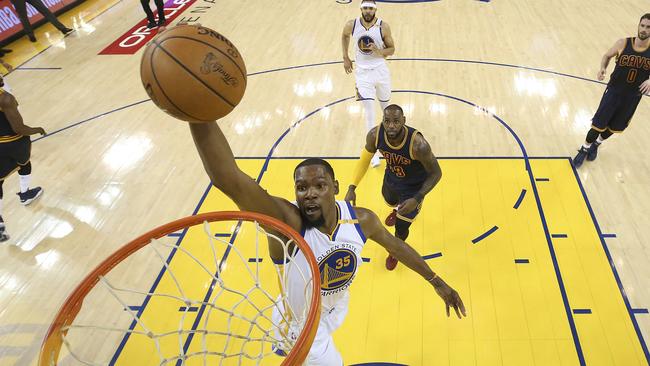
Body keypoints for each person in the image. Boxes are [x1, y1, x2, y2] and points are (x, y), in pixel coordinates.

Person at [188, 121, 464, 364]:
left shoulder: (361, 220)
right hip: (301, 322)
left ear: (336, 188)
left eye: (319, 185)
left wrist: (437, 281)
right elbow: (229, 180)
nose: (309, 194)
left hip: (335, 305)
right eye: (301, 187)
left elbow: (396, 246)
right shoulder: (287, 225)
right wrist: (198, 115)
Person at [345, 105, 442, 270]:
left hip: (413, 188)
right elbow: (364, 159)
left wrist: (417, 198)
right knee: (389, 201)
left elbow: (436, 173)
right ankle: (396, 210)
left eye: (396, 121)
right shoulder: (375, 135)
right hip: (392, 179)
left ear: (404, 121)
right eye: (387, 121)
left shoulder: (418, 145)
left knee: (402, 228)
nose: (391, 125)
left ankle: (395, 251)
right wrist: (352, 187)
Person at [573, 13, 650, 167]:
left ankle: (597, 145)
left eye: (648, 27)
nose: (644, 29)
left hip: (633, 97)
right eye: (642, 25)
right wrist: (602, 68)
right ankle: (584, 148)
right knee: (598, 125)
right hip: (614, 92)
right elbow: (607, 56)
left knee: (615, 127)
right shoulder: (623, 43)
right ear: (638, 25)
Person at [342, 0, 395, 168]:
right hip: (362, 74)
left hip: (380, 71)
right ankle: (374, 153)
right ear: (361, 9)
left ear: (375, 10)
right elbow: (344, 36)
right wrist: (345, 57)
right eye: (365, 8)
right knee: (369, 113)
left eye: (370, 8)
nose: (367, 11)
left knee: (386, 110)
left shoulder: (383, 27)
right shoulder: (352, 24)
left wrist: (378, 51)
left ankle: (392, 143)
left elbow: (392, 49)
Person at [0, 75, 46, 242]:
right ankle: (25, 194)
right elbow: (19, 128)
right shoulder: (5, 98)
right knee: (24, 164)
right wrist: (37, 129)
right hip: (14, 142)